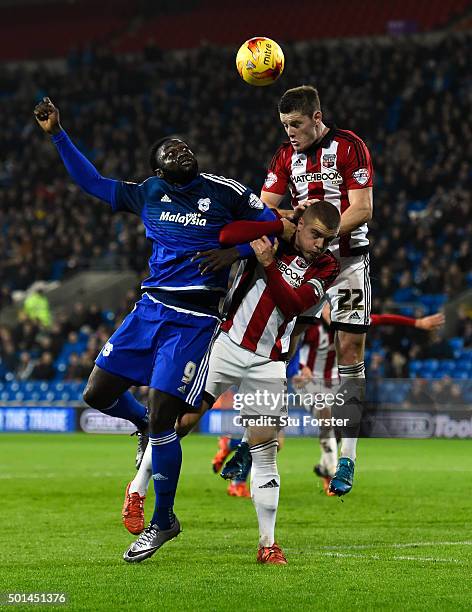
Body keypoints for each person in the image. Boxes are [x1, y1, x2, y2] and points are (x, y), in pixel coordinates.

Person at [33, 96, 287, 562]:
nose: (179, 150)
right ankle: (140, 428)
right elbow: (93, 182)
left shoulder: (225, 190)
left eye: (183, 146)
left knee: (165, 420)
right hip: (148, 310)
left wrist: (239, 253)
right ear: (159, 169)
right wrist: (57, 134)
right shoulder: (148, 192)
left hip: (193, 321)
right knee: (96, 393)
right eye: (169, 151)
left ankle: (163, 519)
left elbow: (276, 224)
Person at [122, 201, 340, 565]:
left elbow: (294, 305)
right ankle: (137, 490)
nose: (320, 244)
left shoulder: (327, 265)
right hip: (224, 345)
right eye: (315, 233)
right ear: (300, 223)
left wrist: (269, 264)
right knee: (179, 424)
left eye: (327, 238)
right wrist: (277, 217)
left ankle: (268, 545)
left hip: (269, 363)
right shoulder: (269, 233)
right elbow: (226, 231)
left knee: (265, 451)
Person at [258, 85, 374, 496]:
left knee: (349, 352)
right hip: (305, 264)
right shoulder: (284, 157)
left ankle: (347, 459)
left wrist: (320, 235)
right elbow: (264, 207)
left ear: (317, 117)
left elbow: (362, 208)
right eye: (285, 125)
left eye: (296, 124)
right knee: (277, 346)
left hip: (346, 265)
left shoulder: (349, 147)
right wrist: (289, 220)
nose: (290, 132)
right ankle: (252, 442)